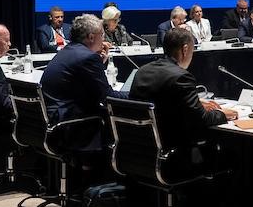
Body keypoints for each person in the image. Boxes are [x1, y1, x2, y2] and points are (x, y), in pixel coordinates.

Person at [128, 27, 238, 149]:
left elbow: (161, 100)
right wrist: (223, 114)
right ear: (185, 50)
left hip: (140, 147)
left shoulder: (142, 71)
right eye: (192, 51)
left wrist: (196, 103)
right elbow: (201, 119)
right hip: (175, 150)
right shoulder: (181, 76)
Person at [40, 14, 129, 153]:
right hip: (69, 125)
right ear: (91, 37)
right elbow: (107, 97)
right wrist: (136, 93)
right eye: (102, 35)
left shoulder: (67, 51)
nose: (104, 39)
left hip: (51, 119)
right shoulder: (87, 57)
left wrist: (100, 62)